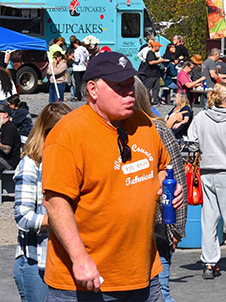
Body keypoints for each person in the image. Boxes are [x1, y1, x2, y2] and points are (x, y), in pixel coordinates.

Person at [41, 51, 184, 298]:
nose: (129, 92)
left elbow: (162, 167)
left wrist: (165, 184)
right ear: (93, 90)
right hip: (86, 280)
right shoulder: (68, 134)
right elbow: (55, 203)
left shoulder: (144, 124)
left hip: (144, 275)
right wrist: (79, 258)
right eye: (119, 87)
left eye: (131, 85)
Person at [186, 82, 226, 279]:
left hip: (206, 172)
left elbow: (192, 145)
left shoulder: (201, 118)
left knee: (209, 219)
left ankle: (209, 263)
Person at [133, 78, 188, 301]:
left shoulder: (156, 130)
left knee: (160, 292)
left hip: (156, 227)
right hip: (129, 230)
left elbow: (177, 181)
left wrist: (175, 228)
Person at [13, 102, 71, 302]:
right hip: (35, 260)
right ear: (48, 132)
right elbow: (23, 216)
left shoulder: (70, 161)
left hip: (64, 261)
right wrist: (61, 220)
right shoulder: (31, 164)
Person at [143, 40, 168, 105]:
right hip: (151, 74)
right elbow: (150, 62)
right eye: (159, 47)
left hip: (156, 74)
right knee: (147, 88)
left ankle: (156, 101)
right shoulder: (150, 53)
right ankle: (142, 100)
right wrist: (160, 61)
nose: (159, 48)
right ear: (155, 47)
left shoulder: (153, 54)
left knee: (156, 88)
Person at [0, 103, 22, 171]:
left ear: (5, 115)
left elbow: (6, 150)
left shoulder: (9, 128)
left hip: (9, 162)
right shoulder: (2, 126)